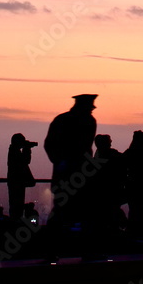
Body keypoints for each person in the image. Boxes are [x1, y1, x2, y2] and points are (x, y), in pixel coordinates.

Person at [44, 94, 97, 226]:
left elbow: (49, 144)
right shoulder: (89, 121)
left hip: (72, 171)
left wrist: (60, 161)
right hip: (77, 171)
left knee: (65, 207)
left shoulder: (62, 120)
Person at [7, 133, 37, 221]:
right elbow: (25, 161)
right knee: (16, 207)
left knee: (16, 207)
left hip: (16, 183)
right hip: (17, 183)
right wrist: (27, 149)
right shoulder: (14, 152)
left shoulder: (13, 151)